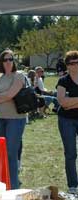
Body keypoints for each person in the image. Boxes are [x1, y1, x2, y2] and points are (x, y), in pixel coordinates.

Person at [0, 49, 26, 189]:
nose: (8, 62)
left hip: (16, 119)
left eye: (11, 59)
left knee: (11, 152)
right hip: (0, 118)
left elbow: (10, 95)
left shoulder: (19, 76)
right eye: (5, 59)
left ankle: (13, 187)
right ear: (1, 62)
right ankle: (4, 182)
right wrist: (3, 97)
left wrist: (1, 96)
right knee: (3, 152)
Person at [56, 50, 78, 194]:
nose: (75, 65)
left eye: (77, 62)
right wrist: (69, 103)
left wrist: (72, 102)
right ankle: (73, 185)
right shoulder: (63, 81)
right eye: (72, 63)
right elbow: (62, 102)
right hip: (66, 120)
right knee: (70, 153)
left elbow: (67, 101)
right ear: (67, 65)